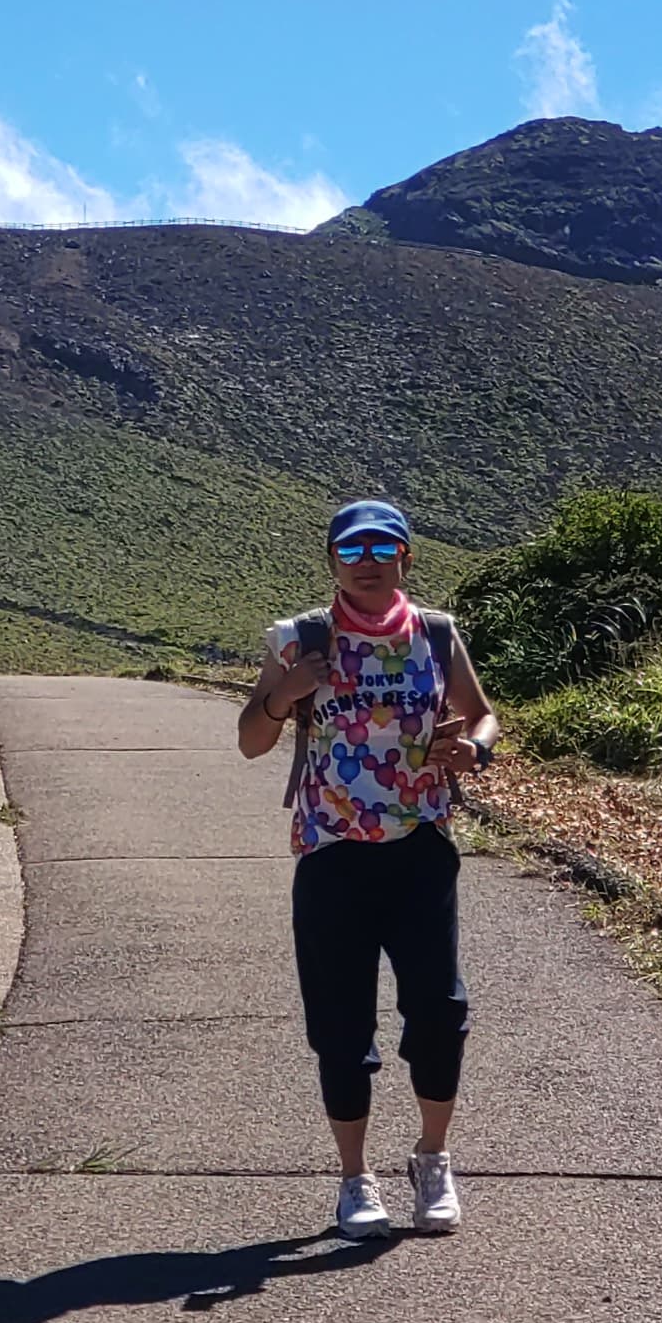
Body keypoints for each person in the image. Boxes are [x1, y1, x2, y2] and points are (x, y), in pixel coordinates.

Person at [238, 497, 499, 1241]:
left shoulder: (437, 635)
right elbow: (251, 742)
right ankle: (354, 1179)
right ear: (332, 562)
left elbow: (483, 715)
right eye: (352, 552)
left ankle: (432, 1157)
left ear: (406, 559)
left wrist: (474, 749)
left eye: (383, 550)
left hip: (420, 848)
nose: (368, 564)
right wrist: (281, 697)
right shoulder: (299, 640)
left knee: (440, 1012)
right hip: (332, 853)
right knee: (341, 1023)